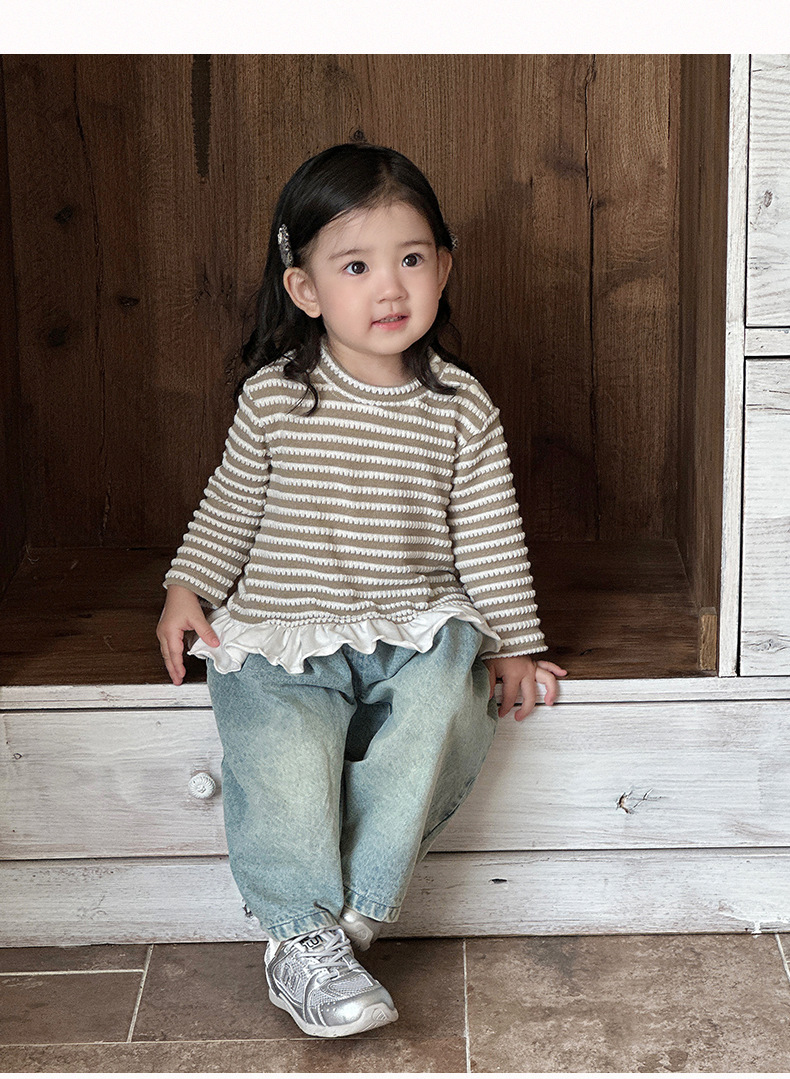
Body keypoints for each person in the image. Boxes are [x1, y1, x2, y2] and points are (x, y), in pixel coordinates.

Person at [156, 142, 567, 1039]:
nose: (389, 288)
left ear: (443, 268)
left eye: (411, 259)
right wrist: (188, 584)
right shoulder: (277, 398)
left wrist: (515, 642)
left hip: (412, 627)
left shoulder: (461, 405)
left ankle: (350, 915)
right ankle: (300, 931)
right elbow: (230, 504)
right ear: (305, 289)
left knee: (450, 701)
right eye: (356, 267)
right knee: (281, 747)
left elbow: (490, 533)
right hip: (289, 629)